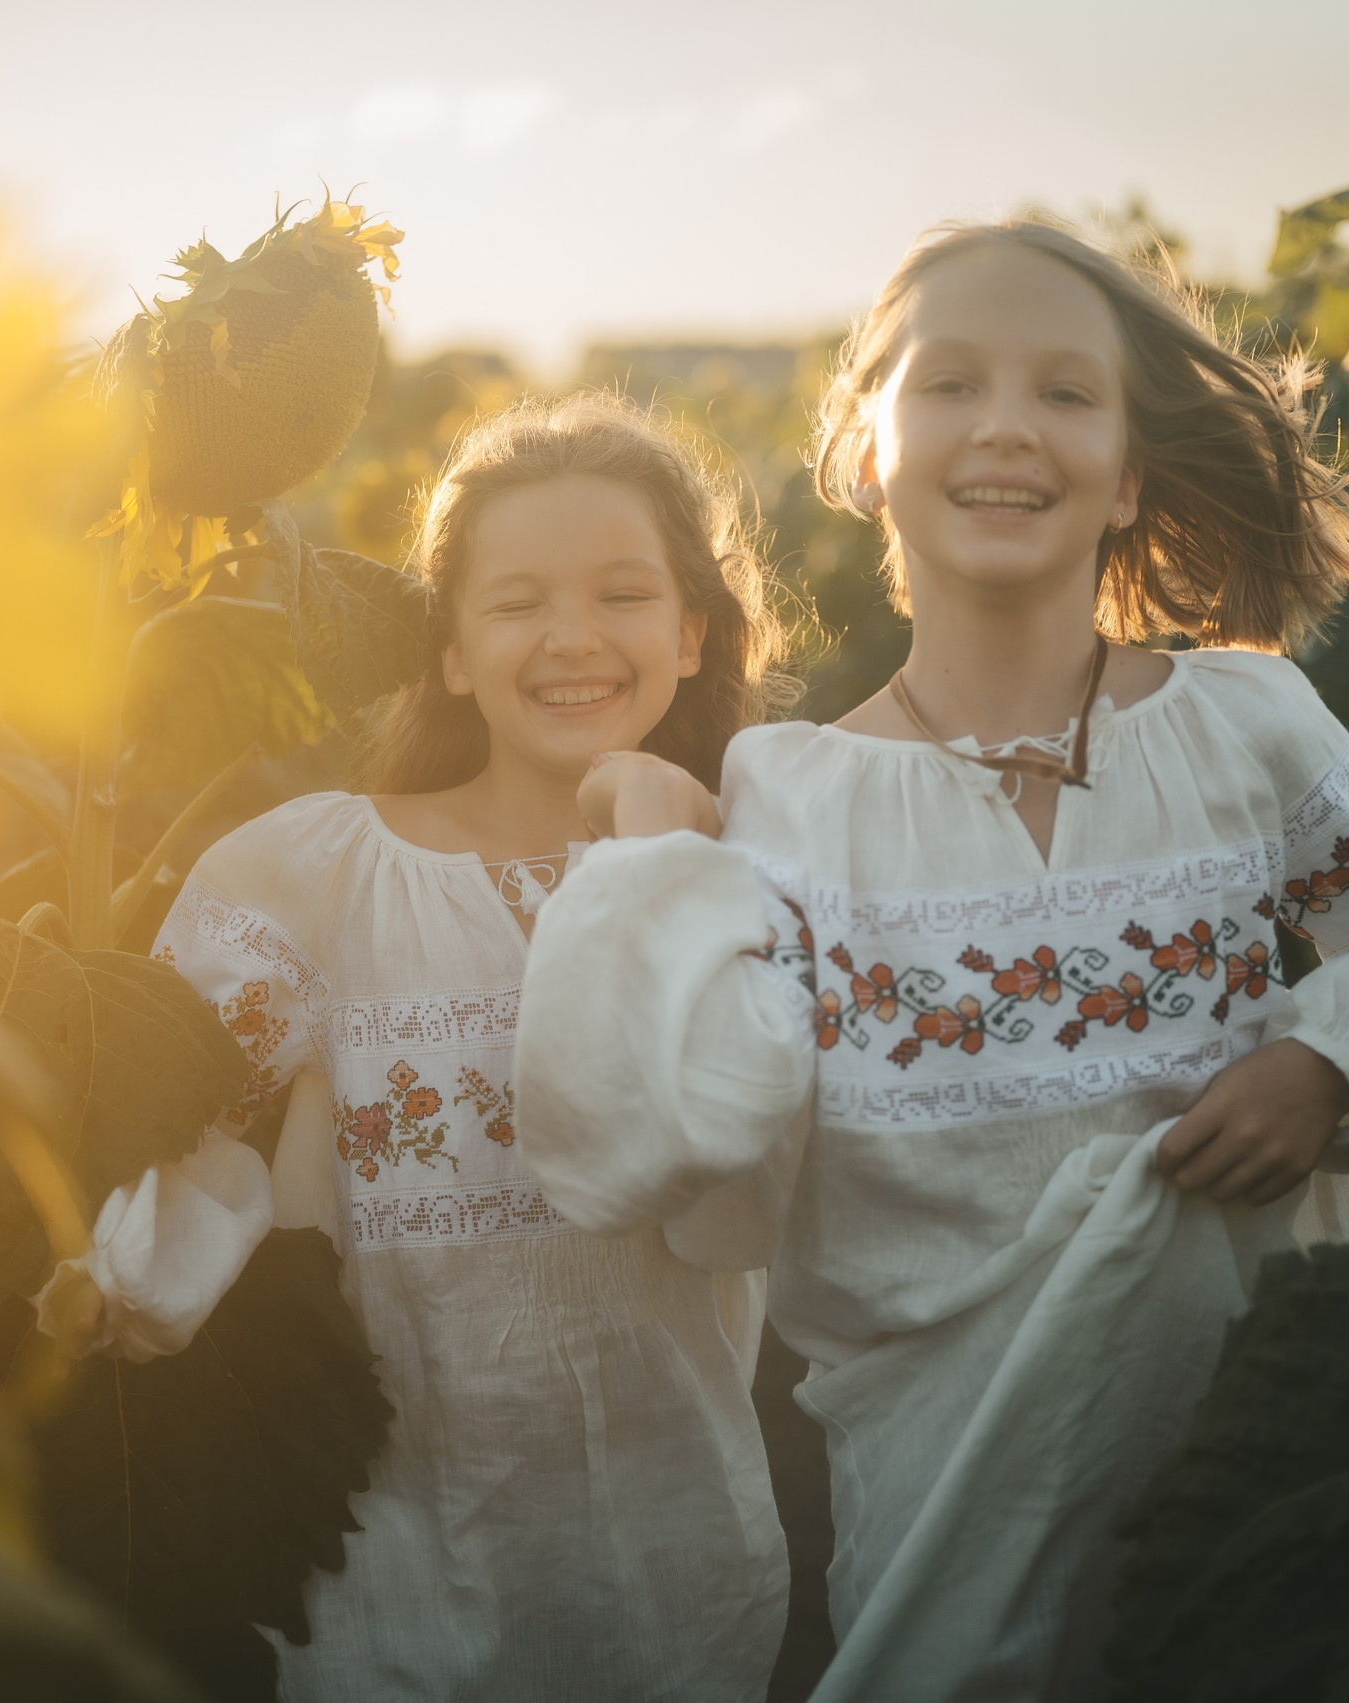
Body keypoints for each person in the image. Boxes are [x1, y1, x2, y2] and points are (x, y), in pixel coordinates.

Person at [512, 222, 1349, 1700]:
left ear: (1128, 471)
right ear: (867, 450)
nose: (1004, 425)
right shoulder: (786, 791)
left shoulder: (1249, 723)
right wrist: (649, 843)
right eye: (950, 387)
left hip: (1257, 1502)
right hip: (946, 1524)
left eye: (1066, 392)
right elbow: (675, 1161)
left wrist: (1330, 1064)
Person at [47, 392, 795, 1700]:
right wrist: (110, 1279)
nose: (571, 638)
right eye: (515, 604)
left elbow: (752, 1190)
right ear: (450, 652)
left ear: (692, 630)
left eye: (622, 594)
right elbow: (187, 1140)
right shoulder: (313, 873)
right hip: (395, 1550)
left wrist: (658, 857)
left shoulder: (750, 874)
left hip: (679, 1544)